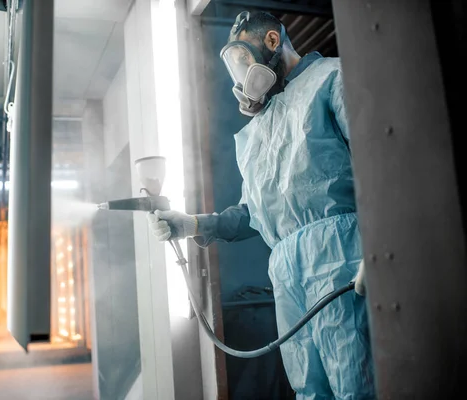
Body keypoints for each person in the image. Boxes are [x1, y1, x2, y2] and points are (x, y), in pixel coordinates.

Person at [147, 10, 374, 400]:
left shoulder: (332, 79)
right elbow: (252, 213)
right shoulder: (259, 129)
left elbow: (379, 166)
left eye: (242, 59)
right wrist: (194, 224)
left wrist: (380, 251)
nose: (240, 77)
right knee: (308, 389)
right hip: (286, 273)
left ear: (272, 42)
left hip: (339, 259)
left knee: (357, 382)